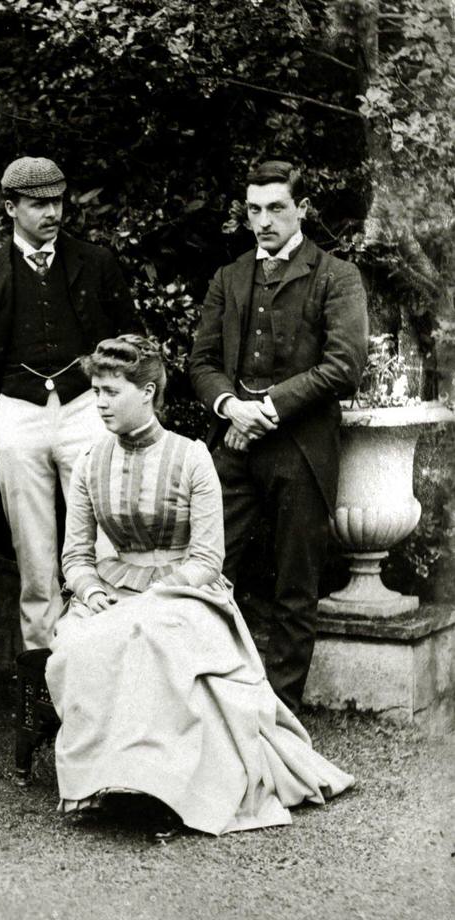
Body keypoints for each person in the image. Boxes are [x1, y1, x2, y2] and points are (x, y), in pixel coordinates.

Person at [47, 335, 354, 836]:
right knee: (80, 642)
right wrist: (92, 591)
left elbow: (207, 557)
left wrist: (154, 597)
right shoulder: (88, 463)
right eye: (96, 391)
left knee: (154, 638)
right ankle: (106, 782)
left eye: (110, 392)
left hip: (186, 593)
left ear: (147, 392)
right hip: (112, 590)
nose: (99, 403)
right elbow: (77, 557)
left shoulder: (192, 458)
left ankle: (161, 790)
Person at [189, 160, 368, 710]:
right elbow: (201, 362)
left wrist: (264, 407)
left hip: (301, 449)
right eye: (253, 210)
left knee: (295, 587)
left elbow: (345, 366)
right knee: (206, 574)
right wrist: (229, 407)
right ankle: (212, 703)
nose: (263, 221)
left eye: (276, 209)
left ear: (302, 210)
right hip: (236, 446)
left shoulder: (336, 276)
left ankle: (281, 717)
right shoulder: (230, 276)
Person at [0, 156, 138, 651]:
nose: (52, 212)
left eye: (56, 200)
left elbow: (131, 341)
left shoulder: (96, 263)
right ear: (10, 208)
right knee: (33, 552)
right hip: (17, 413)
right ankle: (41, 670)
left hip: (84, 411)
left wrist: (107, 396)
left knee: (102, 540)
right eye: (37, 204)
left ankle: (103, 653)